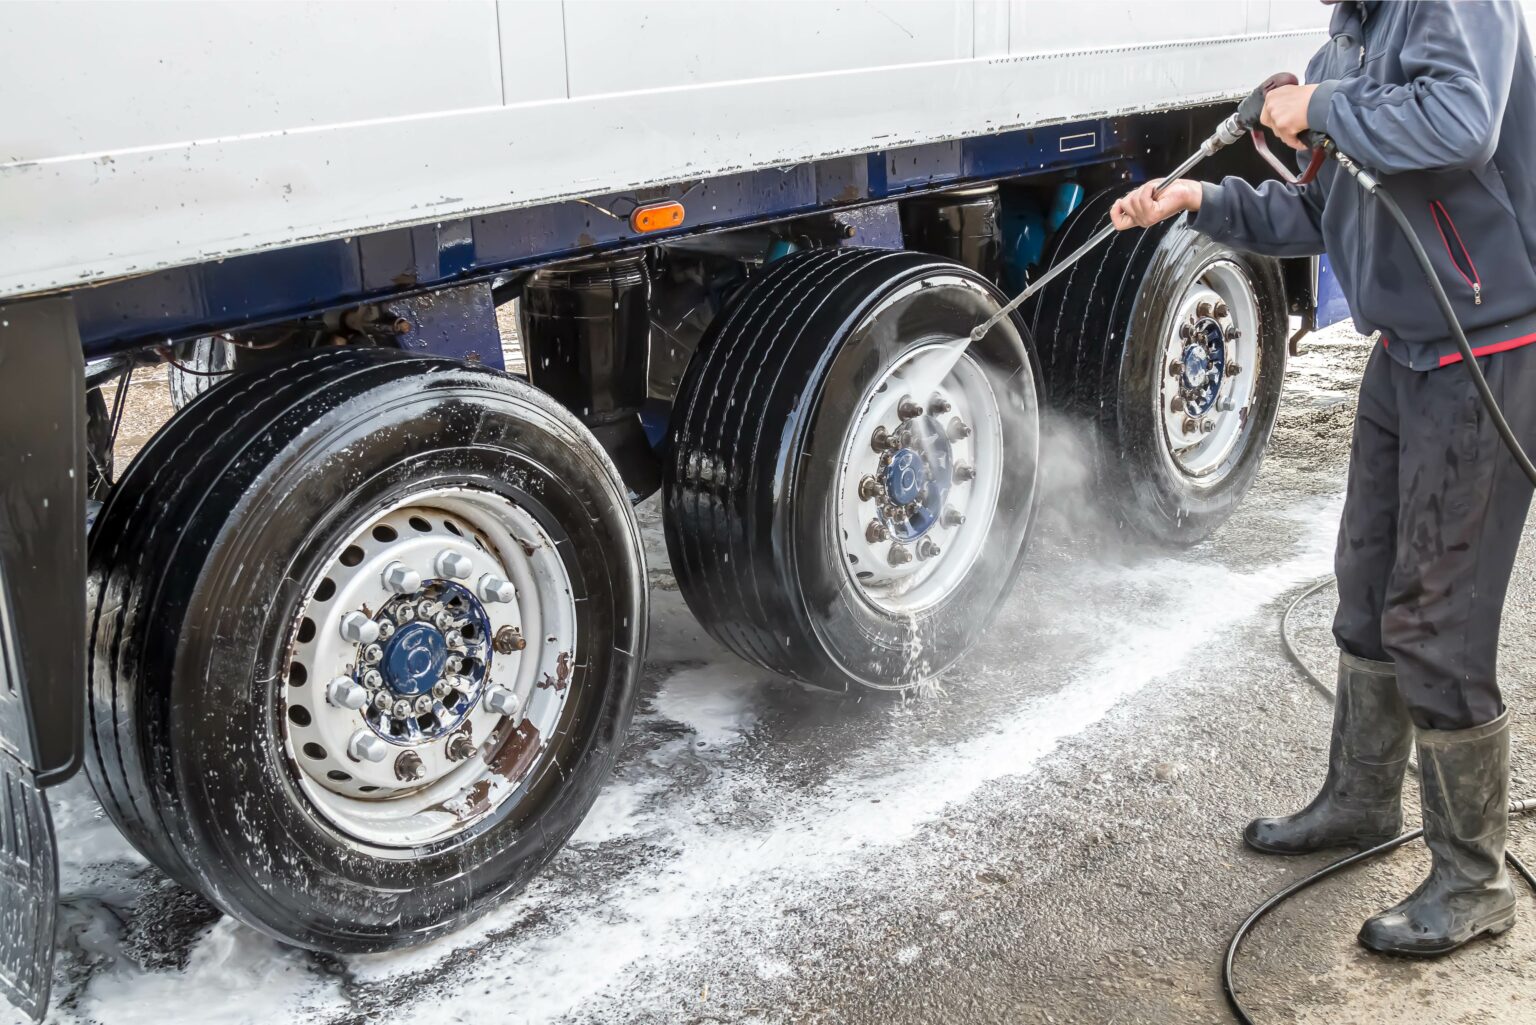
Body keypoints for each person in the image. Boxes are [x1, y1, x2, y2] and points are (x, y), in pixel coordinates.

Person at [1111, 0, 1536, 956]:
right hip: (1405, 350)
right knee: (1367, 585)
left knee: (1438, 615)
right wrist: (1201, 202)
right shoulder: (1347, 38)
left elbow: (1460, 124)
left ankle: (1474, 879)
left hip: (1487, 345)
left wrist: (1324, 106)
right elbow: (1322, 209)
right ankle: (1360, 800)